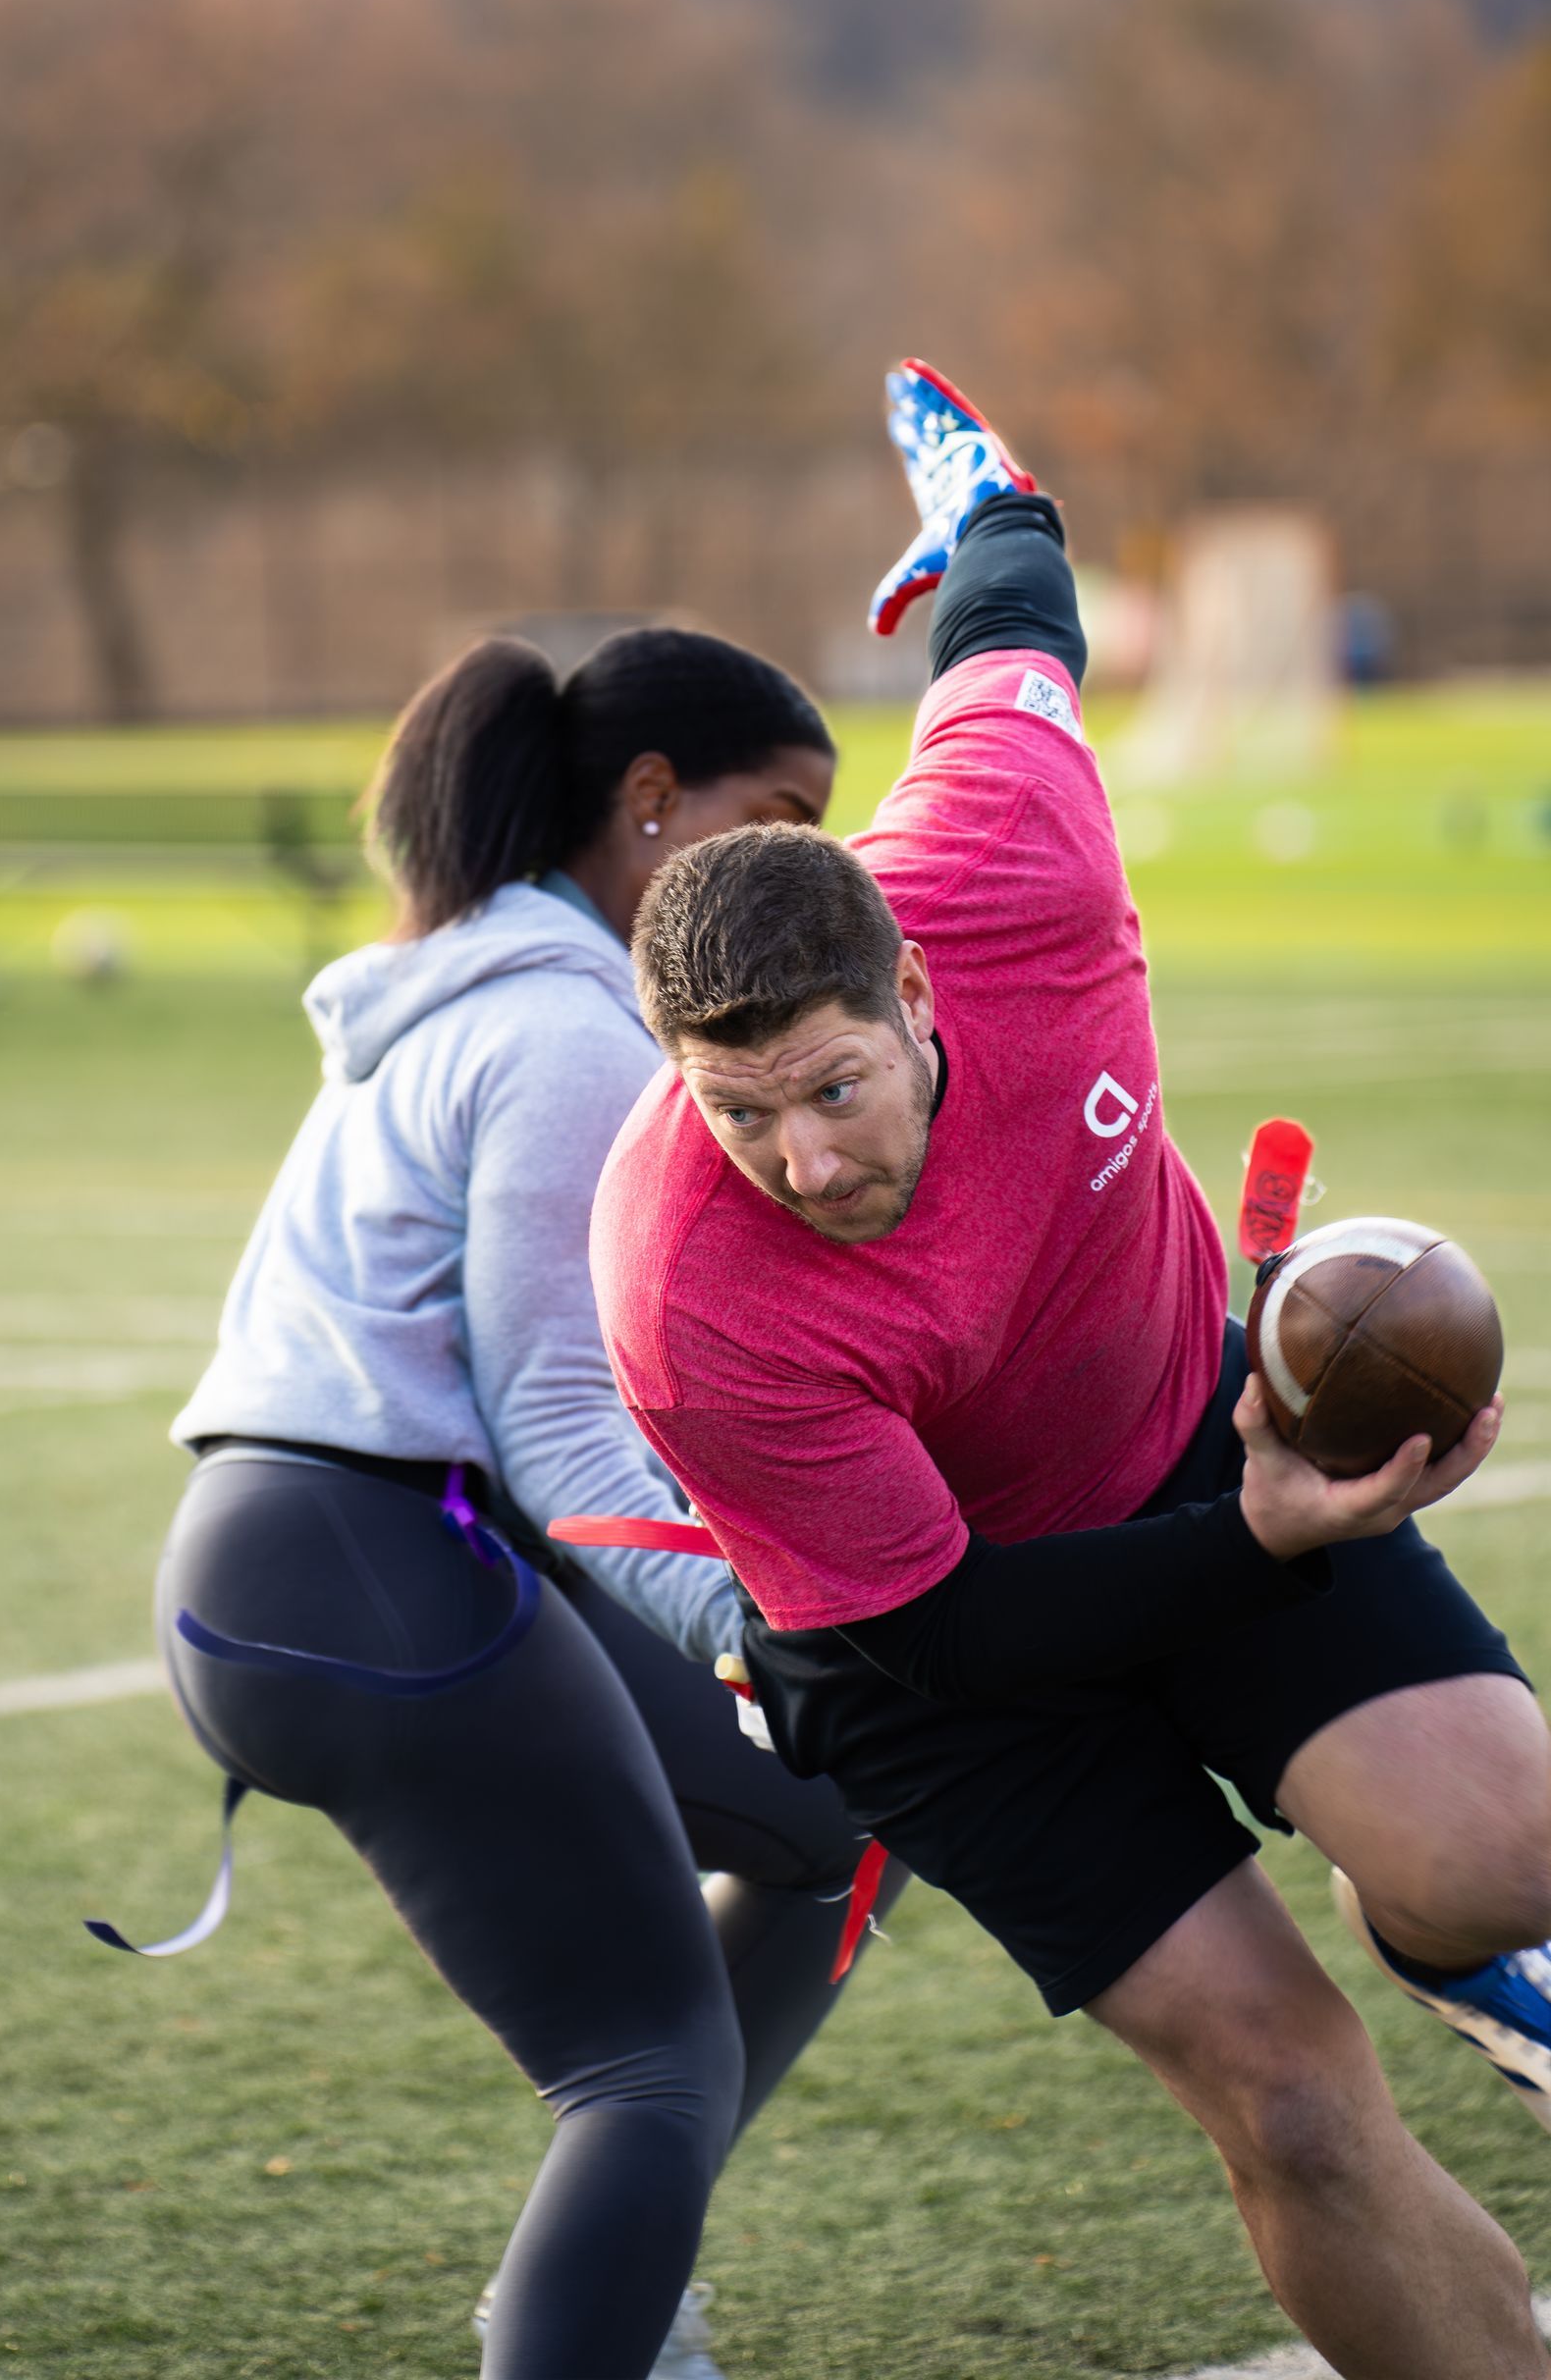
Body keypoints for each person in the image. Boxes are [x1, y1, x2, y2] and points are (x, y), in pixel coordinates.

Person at [590, 361, 1551, 2380]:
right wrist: (1267, 1536)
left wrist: (981, 494)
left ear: (917, 986)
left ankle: (1459, 1936)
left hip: (1179, 1437)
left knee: (1505, 1853)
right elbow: (941, 1624)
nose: (807, 1161)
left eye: (833, 1090)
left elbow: (1015, 606)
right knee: (1291, 2098)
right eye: (744, 1114)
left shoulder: (1017, 851)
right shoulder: (684, 1287)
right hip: (945, 1662)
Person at [142, 625, 904, 2380]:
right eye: (777, 816)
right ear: (650, 805)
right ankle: (592, 2330)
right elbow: (558, 1426)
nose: (814, 867)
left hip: (319, 1560)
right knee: (647, 2061)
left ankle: (616, 2290)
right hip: (377, 1559)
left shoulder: (497, 987)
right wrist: (770, 1625)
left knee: (844, 1820)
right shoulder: (564, 1029)